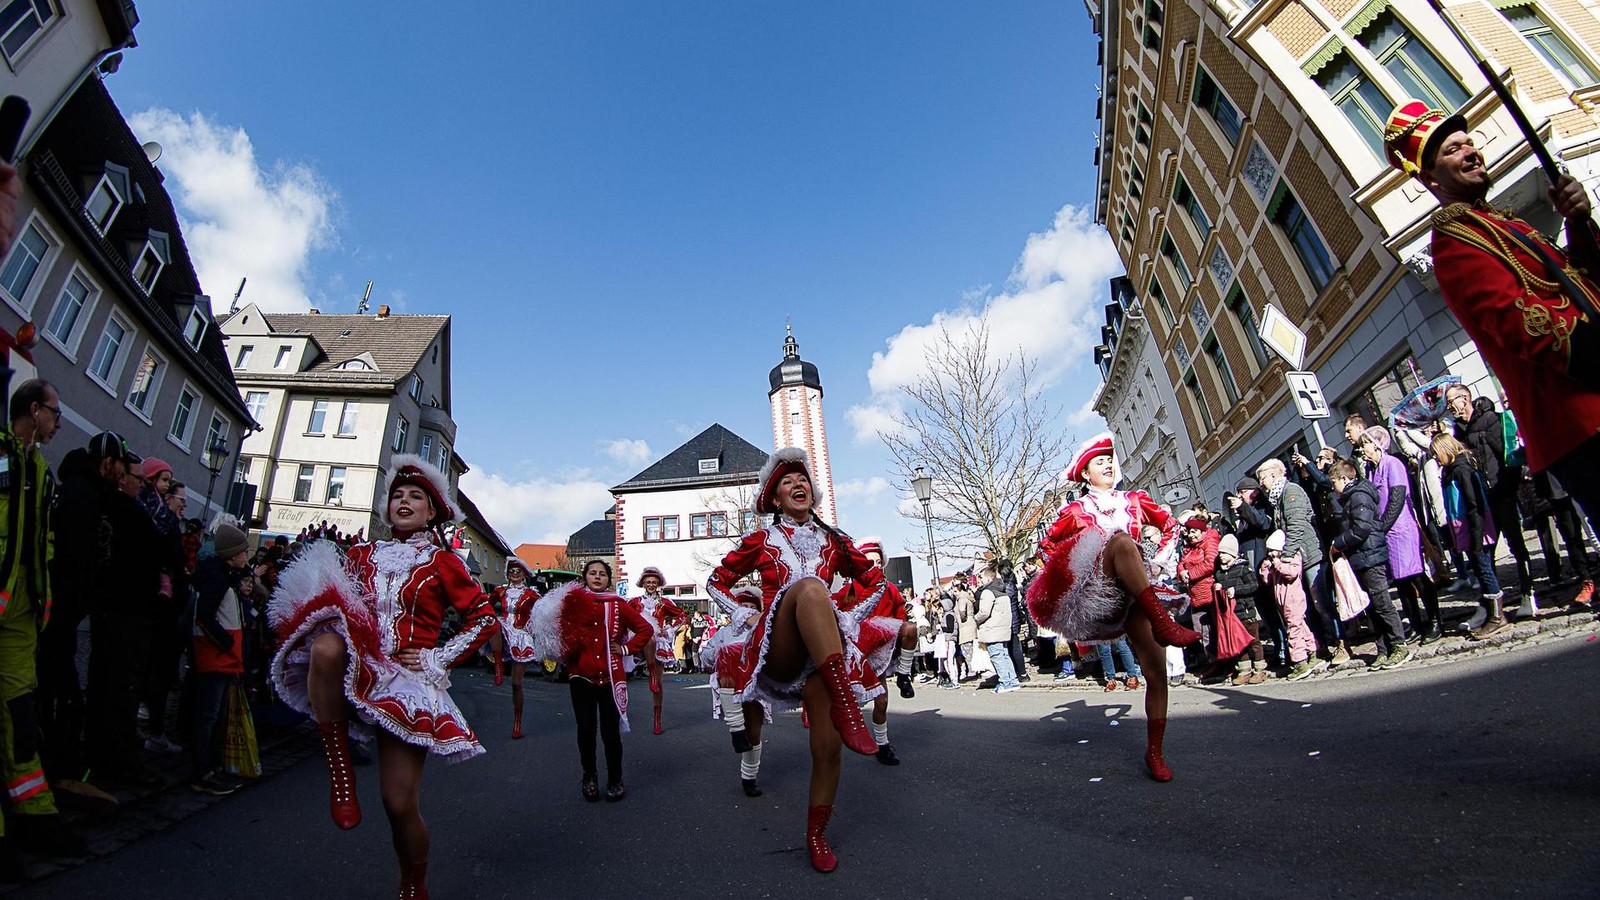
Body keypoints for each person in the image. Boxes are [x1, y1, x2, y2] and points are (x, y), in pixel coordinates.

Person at [269, 454, 498, 900]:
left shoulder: (444, 562)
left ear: (432, 512)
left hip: (408, 682)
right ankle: (340, 765)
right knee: (326, 645)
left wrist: (438, 658)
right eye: (398, 496)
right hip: (362, 665)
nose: (405, 501)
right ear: (387, 507)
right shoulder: (359, 555)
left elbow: (484, 618)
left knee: (398, 803)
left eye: (416, 496)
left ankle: (413, 883)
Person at [1385, 100, 1600, 541]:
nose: (1470, 151)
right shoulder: (1454, 240)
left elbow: (1580, 283)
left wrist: (1578, 222)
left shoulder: (1500, 222)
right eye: (1453, 150)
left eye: (1470, 143)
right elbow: (1522, 323)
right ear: (1430, 179)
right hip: (1580, 417)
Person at [704, 447, 892, 873]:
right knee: (809, 588)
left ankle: (816, 834)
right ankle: (848, 703)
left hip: (822, 657)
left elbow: (876, 582)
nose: (798, 485)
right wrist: (741, 612)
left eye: (803, 479)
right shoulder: (761, 541)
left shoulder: (837, 540)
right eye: (787, 481)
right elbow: (717, 581)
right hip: (780, 648)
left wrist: (848, 618)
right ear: (774, 498)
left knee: (827, 750)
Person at [1027, 434, 1197, 782]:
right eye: (1099, 461)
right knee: (1120, 540)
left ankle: (1155, 752)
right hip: (1101, 590)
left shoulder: (1135, 500)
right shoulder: (1075, 511)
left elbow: (1171, 525)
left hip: (1137, 593)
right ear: (1085, 474)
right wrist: (1073, 579)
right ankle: (1163, 621)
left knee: (1156, 673)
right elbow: (1046, 549)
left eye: (1110, 458)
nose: (1108, 463)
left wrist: (1159, 564)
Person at [0, 382, 87, 871]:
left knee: (20, 718)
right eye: (54, 412)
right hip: (8, 606)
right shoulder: (4, 457)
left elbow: (40, 544)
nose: (58, 422)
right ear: (34, 410)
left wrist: (42, 600)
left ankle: (35, 815)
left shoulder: (38, 471)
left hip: (22, 615)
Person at [529, 560, 652, 803]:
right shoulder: (571, 602)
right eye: (592, 573)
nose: (597, 577)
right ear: (585, 577)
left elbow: (645, 629)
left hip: (611, 676)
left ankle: (615, 779)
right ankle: (589, 777)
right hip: (581, 676)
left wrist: (626, 649)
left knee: (610, 733)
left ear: (609, 579)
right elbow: (555, 632)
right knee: (586, 730)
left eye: (603, 574)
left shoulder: (618, 605)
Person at [1448, 385, 1537, 610]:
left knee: (1516, 545)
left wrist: (1508, 491)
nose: (1449, 407)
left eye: (1452, 401)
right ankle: (1493, 602)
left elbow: (1508, 457)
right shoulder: (1459, 430)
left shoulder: (1489, 420)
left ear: (1465, 399)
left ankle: (1528, 593)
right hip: (1482, 500)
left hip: (1501, 493)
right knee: (1484, 551)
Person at [1256, 458, 1347, 663]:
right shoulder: (1277, 500)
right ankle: (1320, 646)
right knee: (1308, 608)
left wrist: (1286, 556)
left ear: (1274, 475)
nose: (1261, 484)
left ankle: (1339, 643)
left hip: (1310, 556)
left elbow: (1296, 527)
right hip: (1298, 559)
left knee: (1322, 604)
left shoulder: (1291, 492)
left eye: (1262, 478)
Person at [1358, 427, 1442, 643]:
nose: (1362, 449)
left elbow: (1397, 497)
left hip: (1401, 529)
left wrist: (1383, 525)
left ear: (1377, 444)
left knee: (1415, 575)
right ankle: (1415, 624)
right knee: (1401, 581)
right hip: (1385, 534)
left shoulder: (1392, 464)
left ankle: (1434, 621)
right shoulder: (1370, 470)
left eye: (1364, 444)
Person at [837, 540, 916, 765]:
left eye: (879, 563)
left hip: (883, 648)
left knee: (881, 703)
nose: (875, 567)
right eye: (870, 563)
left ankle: (883, 744)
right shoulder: (848, 591)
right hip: (858, 655)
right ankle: (836, 742)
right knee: (847, 705)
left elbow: (901, 615)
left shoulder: (889, 588)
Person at [1327, 460, 1411, 670]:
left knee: (1382, 603)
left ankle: (1399, 645)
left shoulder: (1358, 496)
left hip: (1371, 556)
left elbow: (1362, 528)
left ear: (1345, 479)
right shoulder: (1349, 498)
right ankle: (1383, 649)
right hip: (1362, 557)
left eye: (1334, 482)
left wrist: (1339, 543)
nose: (1332, 487)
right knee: (1372, 607)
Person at [190, 522, 252, 796]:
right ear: (231, 554)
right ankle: (203, 772)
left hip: (224, 657)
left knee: (215, 717)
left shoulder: (225, 575)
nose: (246, 557)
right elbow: (205, 616)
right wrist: (226, 642)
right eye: (243, 552)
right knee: (208, 716)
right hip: (215, 656)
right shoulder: (217, 578)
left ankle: (212, 768)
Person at [1431, 434, 1510, 638]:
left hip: (1476, 529)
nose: (1436, 459)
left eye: (1437, 454)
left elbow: (1474, 504)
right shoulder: (1450, 472)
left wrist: (1476, 537)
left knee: (1485, 570)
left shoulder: (1462, 470)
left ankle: (1497, 616)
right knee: (1479, 569)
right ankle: (1490, 612)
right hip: (1465, 529)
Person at [701, 586, 768, 796]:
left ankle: (749, 778)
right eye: (743, 607)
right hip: (729, 684)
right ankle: (736, 730)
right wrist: (719, 655)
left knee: (754, 734)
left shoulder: (765, 632)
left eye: (752, 608)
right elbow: (706, 659)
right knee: (728, 654)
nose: (748, 612)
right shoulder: (724, 633)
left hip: (755, 686)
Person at [485, 558, 541, 738]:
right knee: (493, 622)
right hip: (502, 631)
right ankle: (499, 666)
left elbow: (543, 611)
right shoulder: (500, 591)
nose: (514, 575)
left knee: (516, 684)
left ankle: (517, 721)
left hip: (520, 635)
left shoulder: (532, 594)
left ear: (524, 575)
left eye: (518, 572)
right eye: (511, 572)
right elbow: (485, 605)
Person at [627, 566, 686, 736]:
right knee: (648, 638)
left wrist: (669, 630)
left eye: (654, 582)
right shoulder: (635, 601)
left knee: (658, 685)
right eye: (648, 582)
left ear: (658, 584)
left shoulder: (664, 603)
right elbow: (624, 615)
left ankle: (657, 719)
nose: (651, 584)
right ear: (643, 584)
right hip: (639, 640)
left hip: (657, 642)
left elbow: (682, 616)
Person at [1261, 531, 1319, 680]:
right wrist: (1265, 570)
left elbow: (1292, 573)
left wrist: (1278, 564)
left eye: (1273, 550)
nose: (1271, 554)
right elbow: (1267, 581)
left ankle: (1300, 662)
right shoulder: (1275, 564)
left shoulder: (1291, 558)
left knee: (1294, 630)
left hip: (1293, 600)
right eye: (1269, 551)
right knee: (1301, 626)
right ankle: (1312, 651)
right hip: (1283, 603)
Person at [1214, 534, 1266, 684]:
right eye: (1220, 553)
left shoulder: (1243, 569)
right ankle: (1244, 670)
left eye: (1224, 553)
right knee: (1238, 643)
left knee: (1253, 641)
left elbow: (1253, 585)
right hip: (1232, 615)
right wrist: (1218, 588)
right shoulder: (1219, 573)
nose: (1221, 556)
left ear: (1232, 554)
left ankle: (1259, 669)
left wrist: (1236, 590)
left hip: (1246, 611)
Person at [974, 563, 1019, 693]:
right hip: (1003, 628)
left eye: (981, 578)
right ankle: (1012, 680)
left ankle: (1006, 682)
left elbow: (984, 612)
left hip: (992, 629)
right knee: (1004, 655)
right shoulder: (1002, 590)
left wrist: (975, 619)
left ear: (988, 578)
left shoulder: (988, 592)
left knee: (997, 656)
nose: (980, 581)